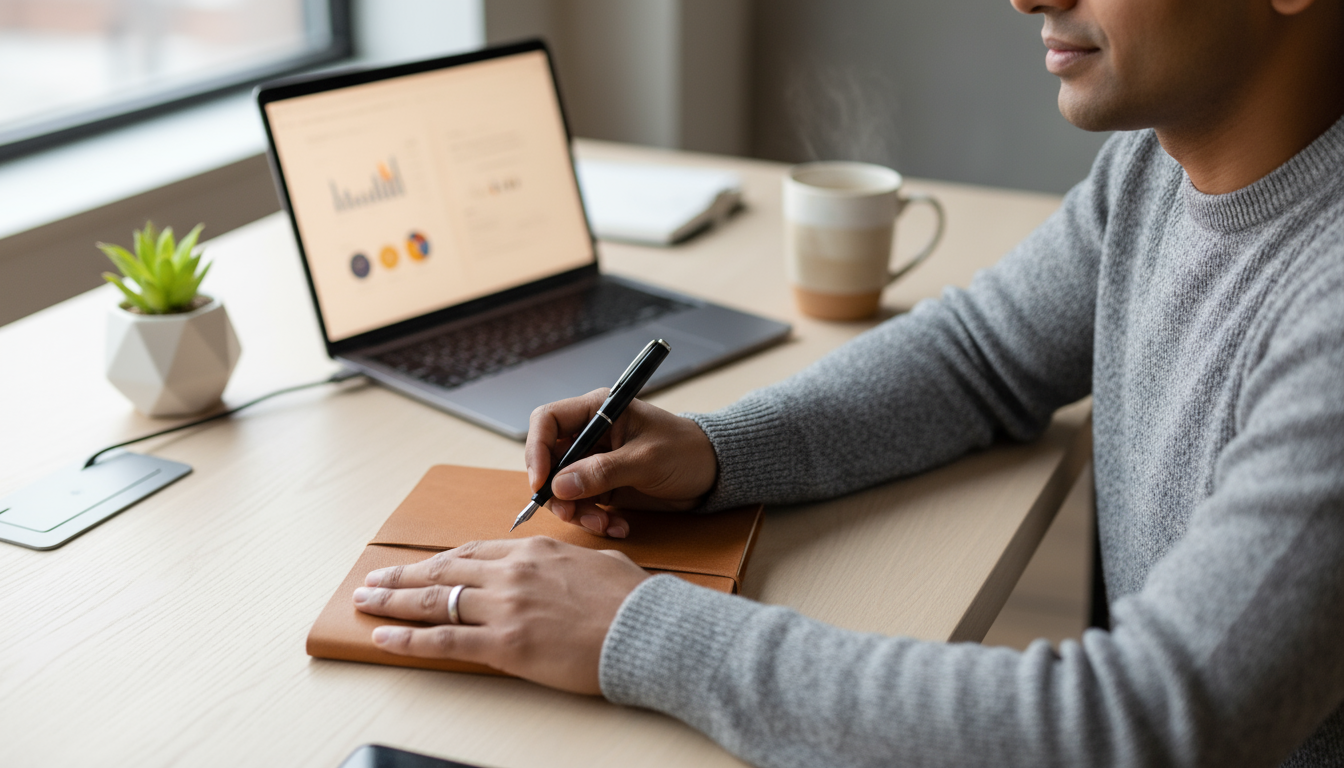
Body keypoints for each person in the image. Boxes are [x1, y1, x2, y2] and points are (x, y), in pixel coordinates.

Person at [350, 0, 1344, 763]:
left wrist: (636, 629)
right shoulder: (1156, 168)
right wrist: (716, 450)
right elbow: (982, 352)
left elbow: (1134, 727)